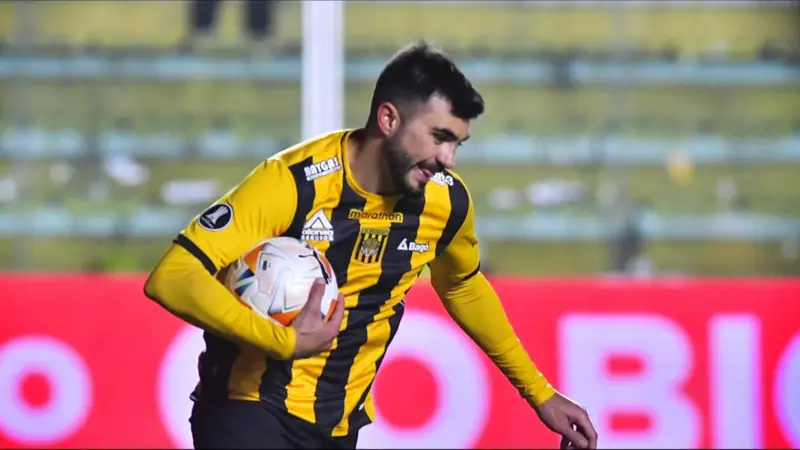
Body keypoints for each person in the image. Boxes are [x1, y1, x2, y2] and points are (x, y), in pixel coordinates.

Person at [144, 41, 598, 450]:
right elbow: (173, 276)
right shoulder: (293, 183)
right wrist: (281, 340)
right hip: (246, 409)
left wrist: (540, 393)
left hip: (338, 425)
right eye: (439, 137)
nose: (449, 159)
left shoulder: (446, 203)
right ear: (388, 119)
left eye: (458, 144)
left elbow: (462, 285)